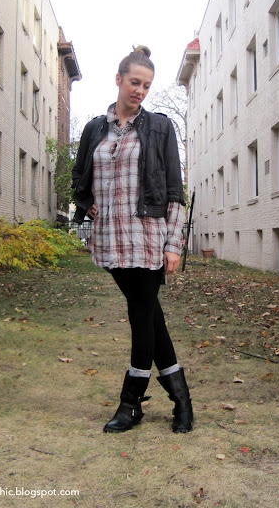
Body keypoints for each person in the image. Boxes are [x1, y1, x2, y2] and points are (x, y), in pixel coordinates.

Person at [71, 46, 193, 434]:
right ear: (119, 79)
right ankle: (181, 400)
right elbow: (79, 177)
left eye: (147, 85)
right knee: (149, 315)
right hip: (110, 238)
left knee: (142, 317)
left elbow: (173, 189)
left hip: (148, 238)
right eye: (135, 82)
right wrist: (86, 204)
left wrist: (173, 244)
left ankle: (131, 404)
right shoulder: (95, 129)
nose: (140, 90)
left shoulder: (159, 127)